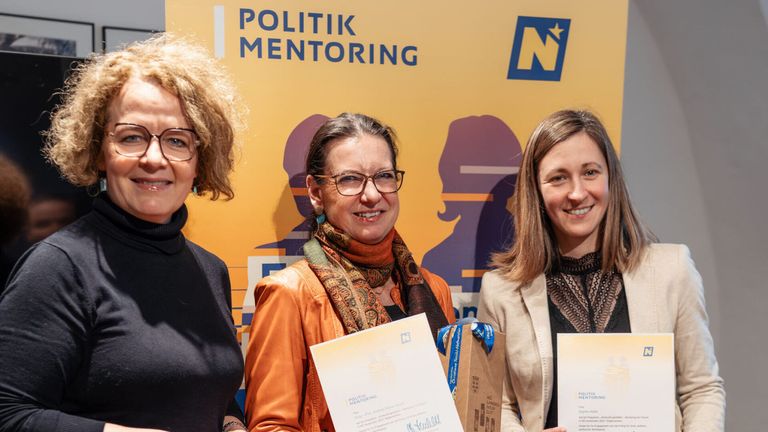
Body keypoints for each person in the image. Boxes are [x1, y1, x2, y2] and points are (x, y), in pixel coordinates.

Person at [0, 35, 248, 432]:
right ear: (99, 151)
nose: (154, 158)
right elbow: (9, 413)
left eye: (177, 140)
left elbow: (203, 399)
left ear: (200, 161)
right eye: (131, 137)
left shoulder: (211, 269)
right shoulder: (59, 267)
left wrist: (232, 425)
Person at [478, 109, 725, 432]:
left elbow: (701, 389)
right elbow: (496, 403)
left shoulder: (672, 271)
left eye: (590, 172)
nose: (577, 192)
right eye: (558, 177)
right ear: (536, 190)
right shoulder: (501, 290)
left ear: (611, 178)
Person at [244, 113, 455, 431]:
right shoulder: (288, 294)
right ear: (316, 192)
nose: (371, 195)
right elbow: (271, 426)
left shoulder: (434, 289)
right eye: (350, 180)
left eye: (383, 176)